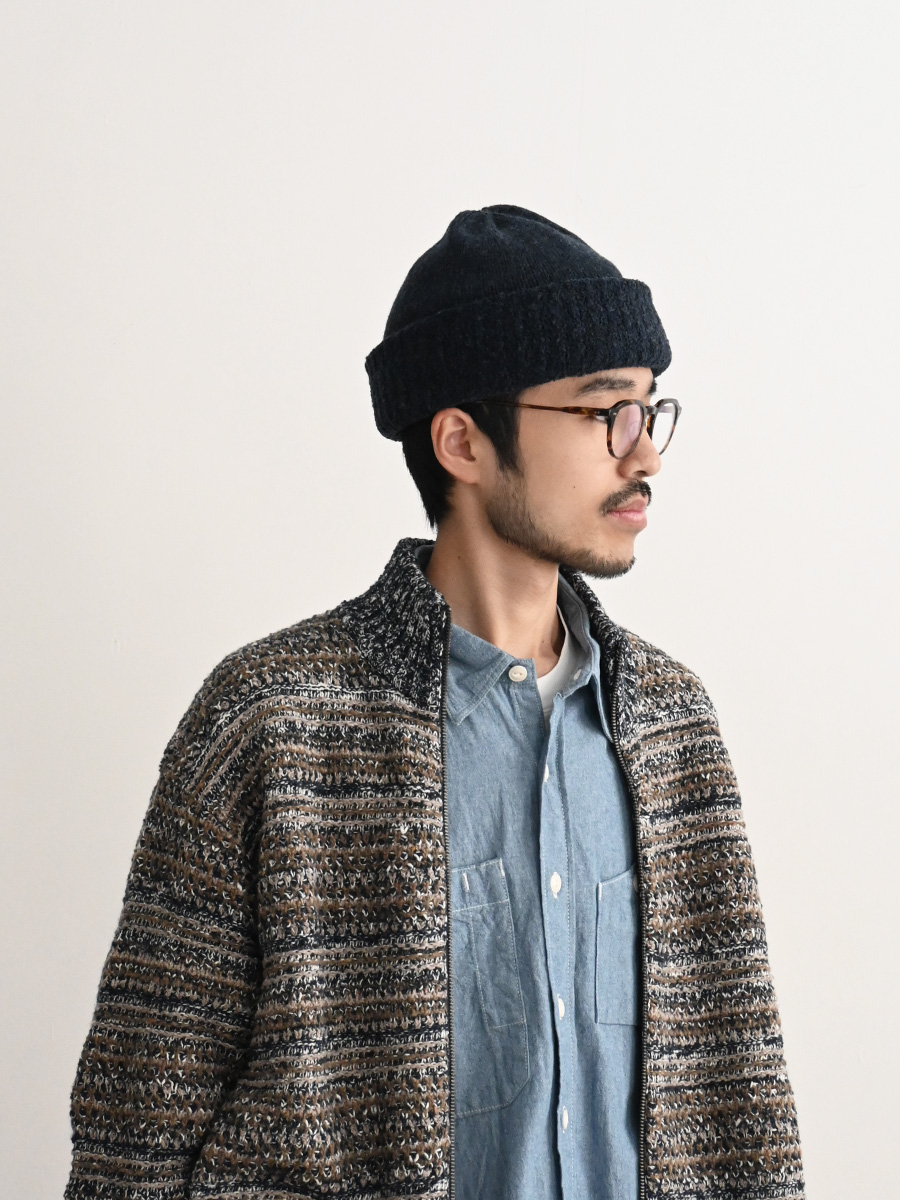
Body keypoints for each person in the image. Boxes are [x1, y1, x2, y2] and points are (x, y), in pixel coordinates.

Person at [64, 204, 804, 1200]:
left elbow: (741, 1102)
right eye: (606, 413)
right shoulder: (274, 724)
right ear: (462, 441)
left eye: (650, 409)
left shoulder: (670, 725)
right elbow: (135, 1130)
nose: (646, 456)